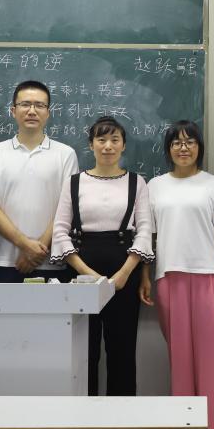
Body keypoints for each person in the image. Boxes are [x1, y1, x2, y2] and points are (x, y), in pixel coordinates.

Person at [143, 120, 214, 429]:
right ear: (168, 149)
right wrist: (145, 276)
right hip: (169, 277)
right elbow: (147, 237)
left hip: (209, 277)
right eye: (176, 142)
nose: (183, 148)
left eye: (190, 142)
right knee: (180, 360)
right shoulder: (155, 186)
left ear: (200, 147)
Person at [50, 116, 154, 396]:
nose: (108, 146)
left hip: (125, 272)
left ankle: (122, 415)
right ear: (91, 144)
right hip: (81, 271)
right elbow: (60, 231)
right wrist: (89, 275)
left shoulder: (137, 182)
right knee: (85, 351)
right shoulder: (73, 183)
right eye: (101, 139)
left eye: (114, 140)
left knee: (122, 349)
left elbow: (145, 230)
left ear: (123, 145)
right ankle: (83, 415)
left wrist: (124, 273)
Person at [0, 80, 78, 283]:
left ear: (48, 112)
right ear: (13, 110)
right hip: (5, 260)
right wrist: (26, 245)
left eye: (39, 105)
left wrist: (38, 250)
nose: (32, 111)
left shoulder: (66, 154)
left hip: (52, 259)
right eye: (25, 104)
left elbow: (68, 208)